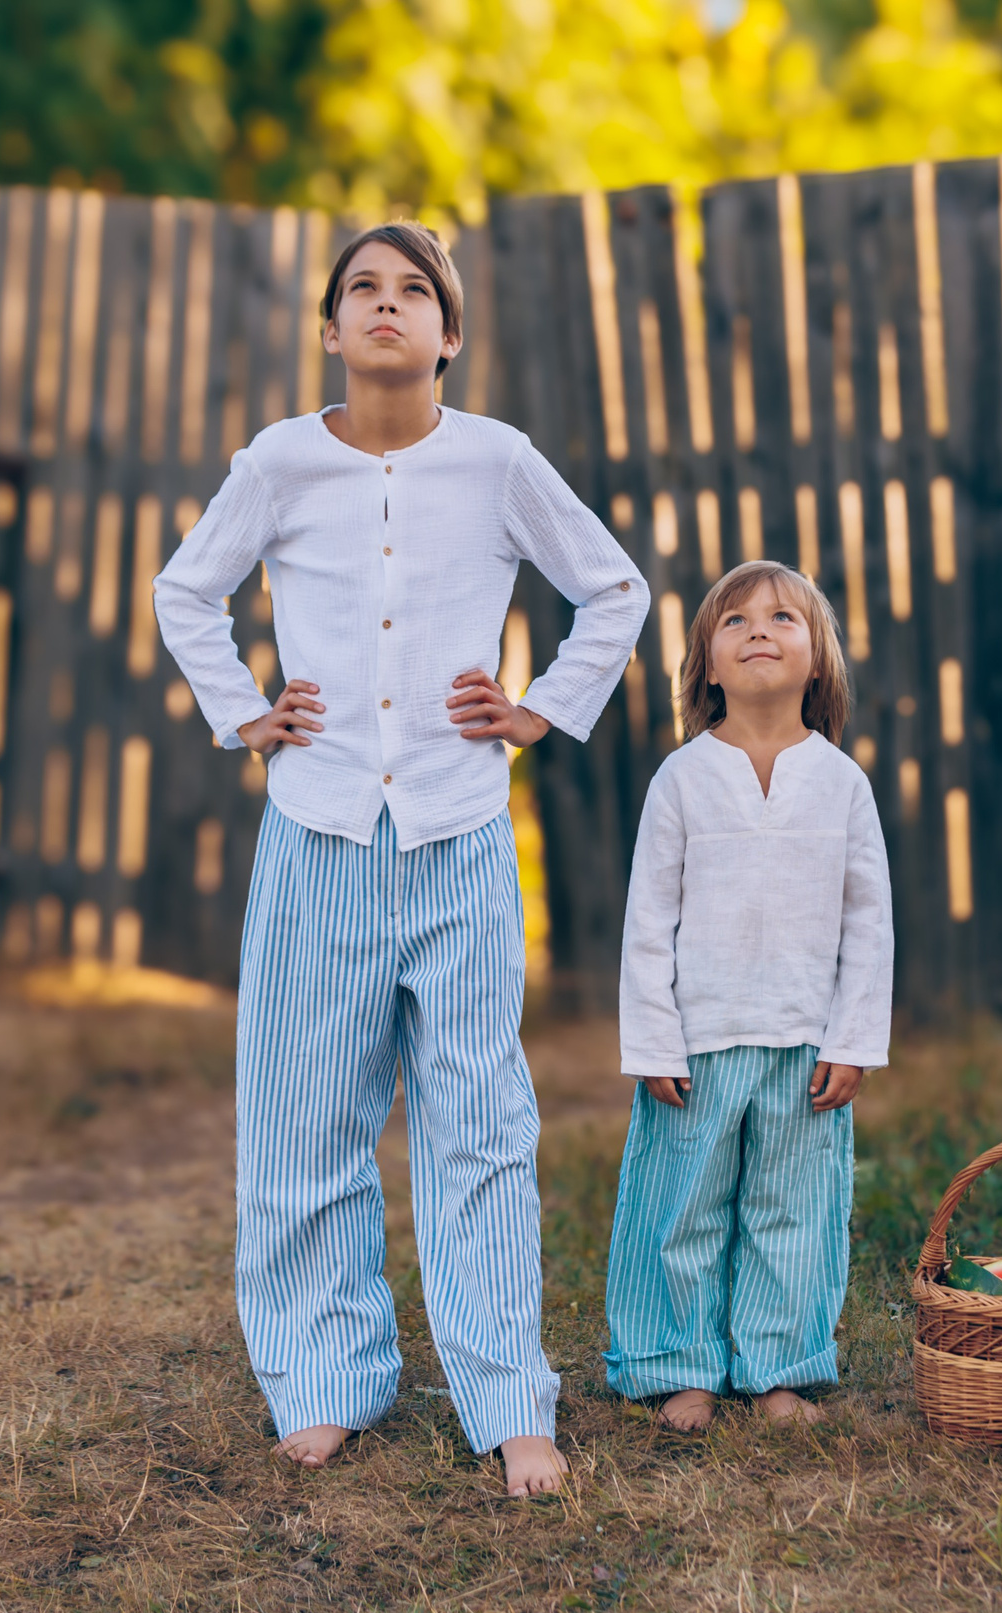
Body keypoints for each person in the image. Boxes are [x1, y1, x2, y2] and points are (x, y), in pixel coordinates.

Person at [152, 221, 648, 1496]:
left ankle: (505, 1397)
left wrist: (539, 709)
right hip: (315, 832)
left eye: (412, 291)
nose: (387, 306)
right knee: (304, 1119)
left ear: (449, 333)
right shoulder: (277, 463)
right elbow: (184, 592)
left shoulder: (498, 463)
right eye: (361, 290)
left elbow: (615, 590)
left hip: (458, 835)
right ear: (330, 329)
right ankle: (323, 1381)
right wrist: (242, 712)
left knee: (479, 1121)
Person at [605, 560, 892, 1430]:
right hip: (698, 1041)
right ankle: (678, 1363)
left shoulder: (842, 783)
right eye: (734, 622)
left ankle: (778, 1367)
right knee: (679, 1208)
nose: (758, 629)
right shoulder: (681, 780)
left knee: (794, 1212)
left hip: (806, 1045)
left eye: (781, 618)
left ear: (817, 662)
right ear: (707, 665)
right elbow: (648, 920)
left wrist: (854, 1040)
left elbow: (868, 923)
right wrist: (653, 1040)